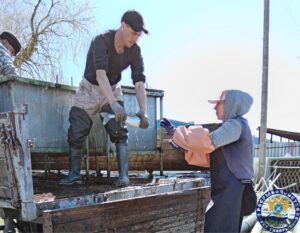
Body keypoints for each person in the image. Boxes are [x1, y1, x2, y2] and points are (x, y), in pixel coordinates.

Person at [59, 10, 149, 187]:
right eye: (133, 33)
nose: (135, 38)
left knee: (119, 129)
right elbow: (100, 75)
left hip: (113, 89)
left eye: (139, 35)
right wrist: (114, 105)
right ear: (123, 25)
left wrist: (143, 111)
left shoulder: (135, 51)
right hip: (89, 89)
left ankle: (123, 177)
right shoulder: (101, 41)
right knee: (77, 129)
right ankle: (74, 175)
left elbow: (139, 83)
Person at [161, 89, 256, 233]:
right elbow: (212, 156)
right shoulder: (237, 126)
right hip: (232, 188)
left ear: (231, 104)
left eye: (219, 103)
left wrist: (177, 133)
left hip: (232, 190)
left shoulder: (235, 125)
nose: (215, 107)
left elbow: (207, 142)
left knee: (218, 228)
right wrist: (185, 150)